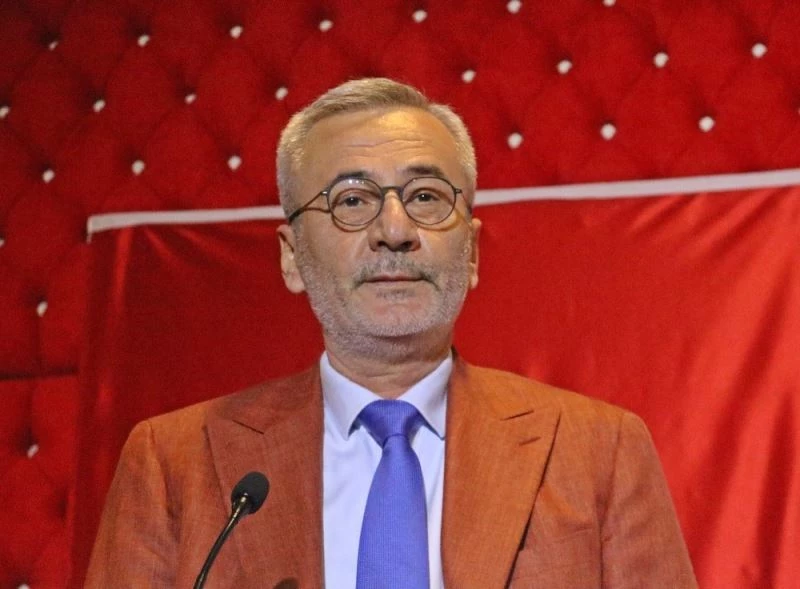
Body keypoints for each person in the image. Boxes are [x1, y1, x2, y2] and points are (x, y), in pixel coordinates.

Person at [85, 78, 697, 588]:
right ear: (292, 257)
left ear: (473, 251)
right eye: (352, 201)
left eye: (426, 196)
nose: (395, 231)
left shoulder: (600, 450)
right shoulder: (173, 461)